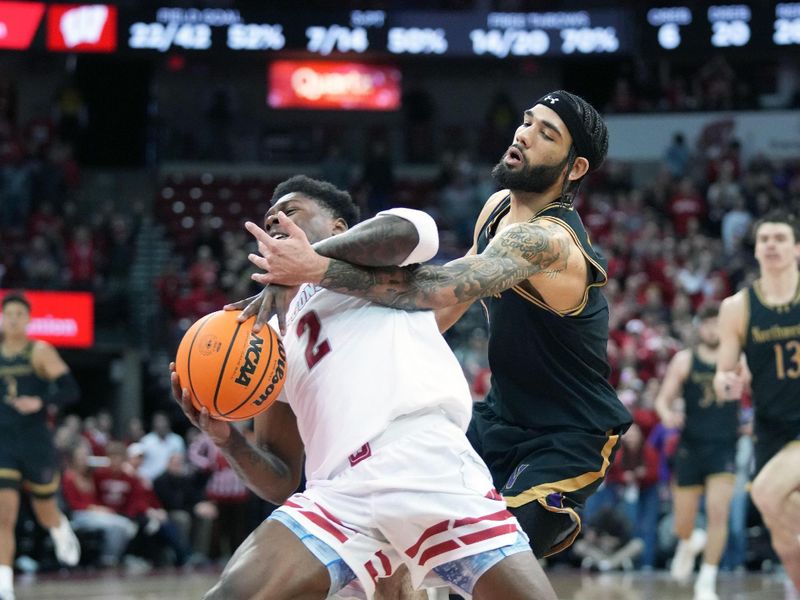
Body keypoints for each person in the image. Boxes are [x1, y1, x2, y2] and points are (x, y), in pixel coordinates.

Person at [243, 90, 632, 559]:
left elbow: (437, 289)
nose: (524, 135)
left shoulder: (547, 241)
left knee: (493, 562)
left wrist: (313, 269)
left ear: (575, 169)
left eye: (546, 134)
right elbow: (445, 310)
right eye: (527, 122)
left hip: (567, 437)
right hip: (499, 419)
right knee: (402, 527)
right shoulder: (497, 210)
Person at [173, 175, 557, 600]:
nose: (276, 222)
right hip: (338, 496)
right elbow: (282, 479)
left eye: (291, 211)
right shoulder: (268, 341)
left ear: (340, 228)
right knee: (231, 595)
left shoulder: (386, 268)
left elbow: (410, 232)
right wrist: (228, 440)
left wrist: (308, 263)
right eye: (268, 219)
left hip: (424, 462)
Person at [714, 209, 800, 593]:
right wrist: (726, 384)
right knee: (781, 524)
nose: (771, 245)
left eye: (780, 238)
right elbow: (722, 373)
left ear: (796, 248)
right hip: (771, 429)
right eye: (765, 239)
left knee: (764, 491)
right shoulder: (737, 307)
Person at [655, 302, 741, 600]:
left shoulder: (737, 361)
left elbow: (760, 391)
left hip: (724, 448)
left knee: (719, 514)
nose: (712, 330)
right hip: (691, 447)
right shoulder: (685, 360)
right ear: (699, 328)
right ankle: (688, 542)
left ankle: (707, 580)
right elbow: (662, 401)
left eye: (718, 324)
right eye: (707, 324)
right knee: (683, 523)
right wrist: (668, 415)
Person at [0, 291, 81, 600]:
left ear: (28, 319)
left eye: (20, 314)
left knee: (44, 511)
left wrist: (40, 401)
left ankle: (59, 528)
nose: (14, 319)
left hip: (35, 443)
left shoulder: (40, 352)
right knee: (3, 516)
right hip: (4, 442)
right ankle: (5, 585)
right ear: (3, 318)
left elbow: (71, 390)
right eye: (10, 314)